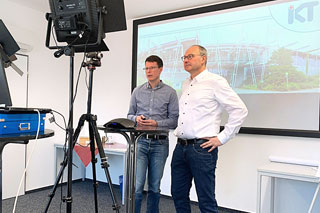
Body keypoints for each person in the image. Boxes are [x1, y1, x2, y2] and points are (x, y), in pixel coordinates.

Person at [171, 45, 248, 213]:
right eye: (184, 57)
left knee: (205, 200)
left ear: (203, 58)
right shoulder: (186, 83)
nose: (186, 60)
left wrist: (222, 138)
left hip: (201, 149)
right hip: (180, 147)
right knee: (177, 194)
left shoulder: (215, 81)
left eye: (190, 56)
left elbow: (240, 110)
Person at [127, 55, 179, 213]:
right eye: (146, 68)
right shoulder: (137, 91)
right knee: (137, 186)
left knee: (154, 186)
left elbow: (174, 120)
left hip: (160, 144)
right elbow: (129, 115)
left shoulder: (170, 92)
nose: (148, 71)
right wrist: (136, 118)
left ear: (160, 69)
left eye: (152, 68)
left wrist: (157, 124)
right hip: (140, 142)